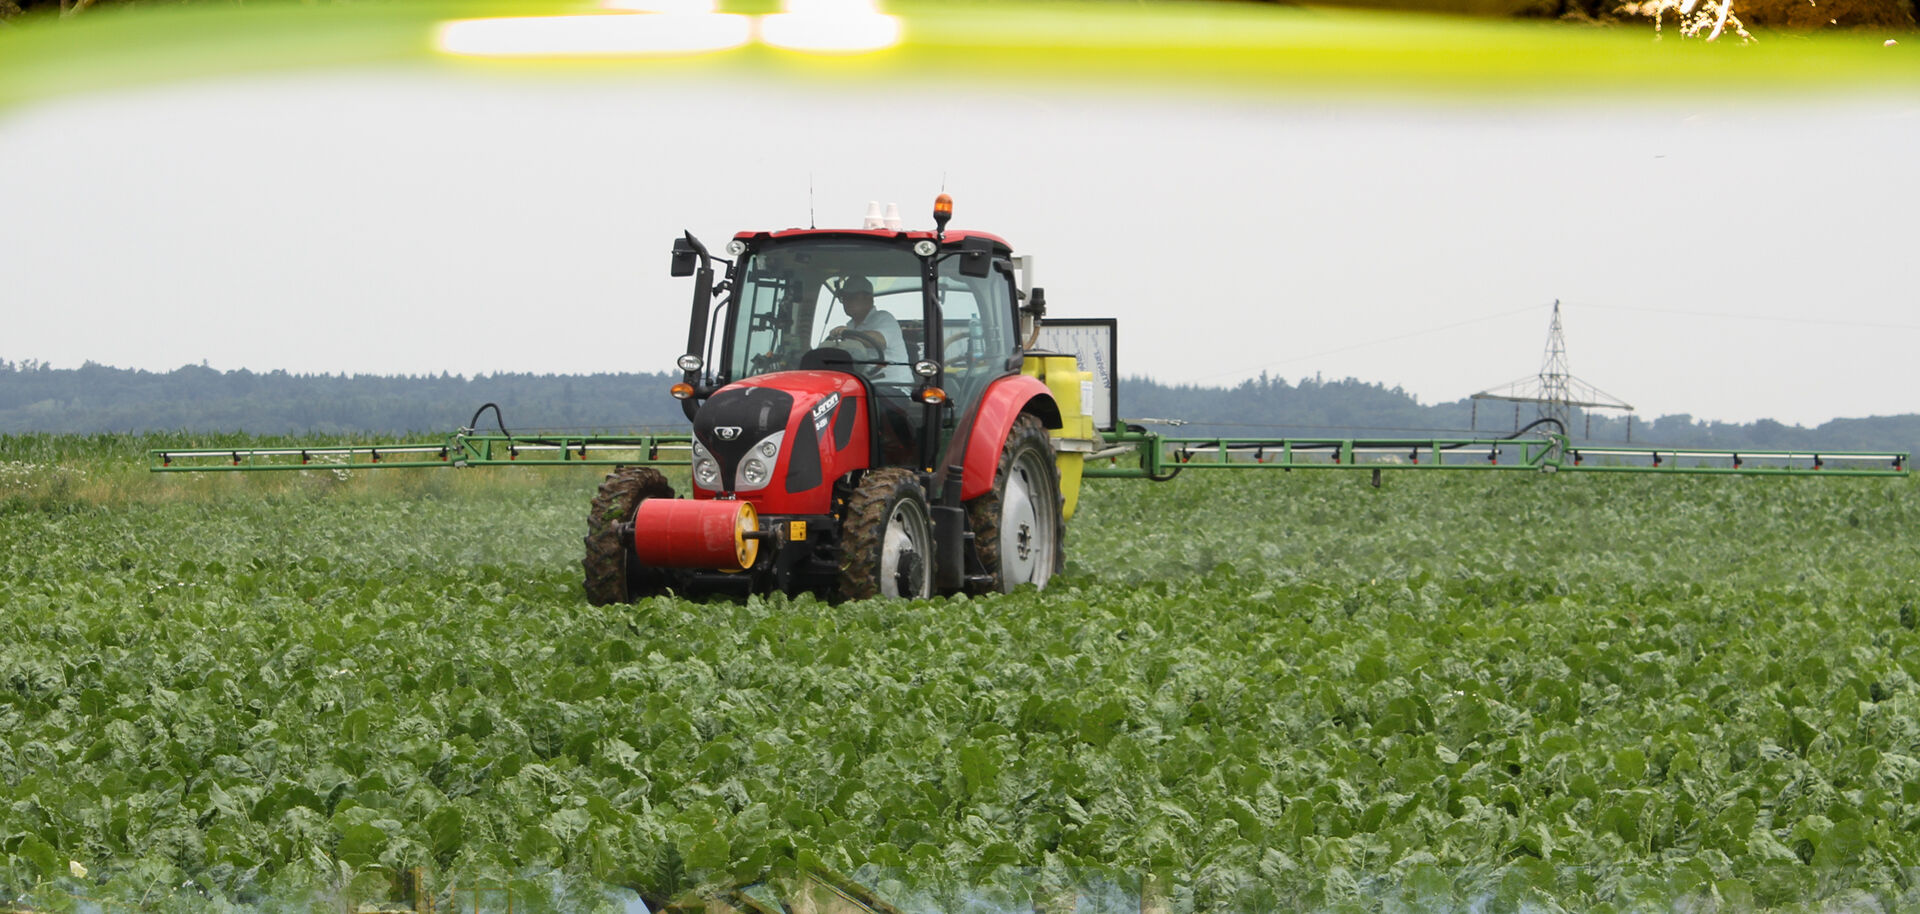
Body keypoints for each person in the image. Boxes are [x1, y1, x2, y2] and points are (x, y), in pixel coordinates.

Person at [825, 275, 911, 384]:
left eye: (852, 297)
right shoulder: (850, 326)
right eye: (844, 298)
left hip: (892, 387)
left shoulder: (884, 318)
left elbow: (880, 341)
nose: (847, 302)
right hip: (862, 384)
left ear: (869, 298)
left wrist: (849, 334)